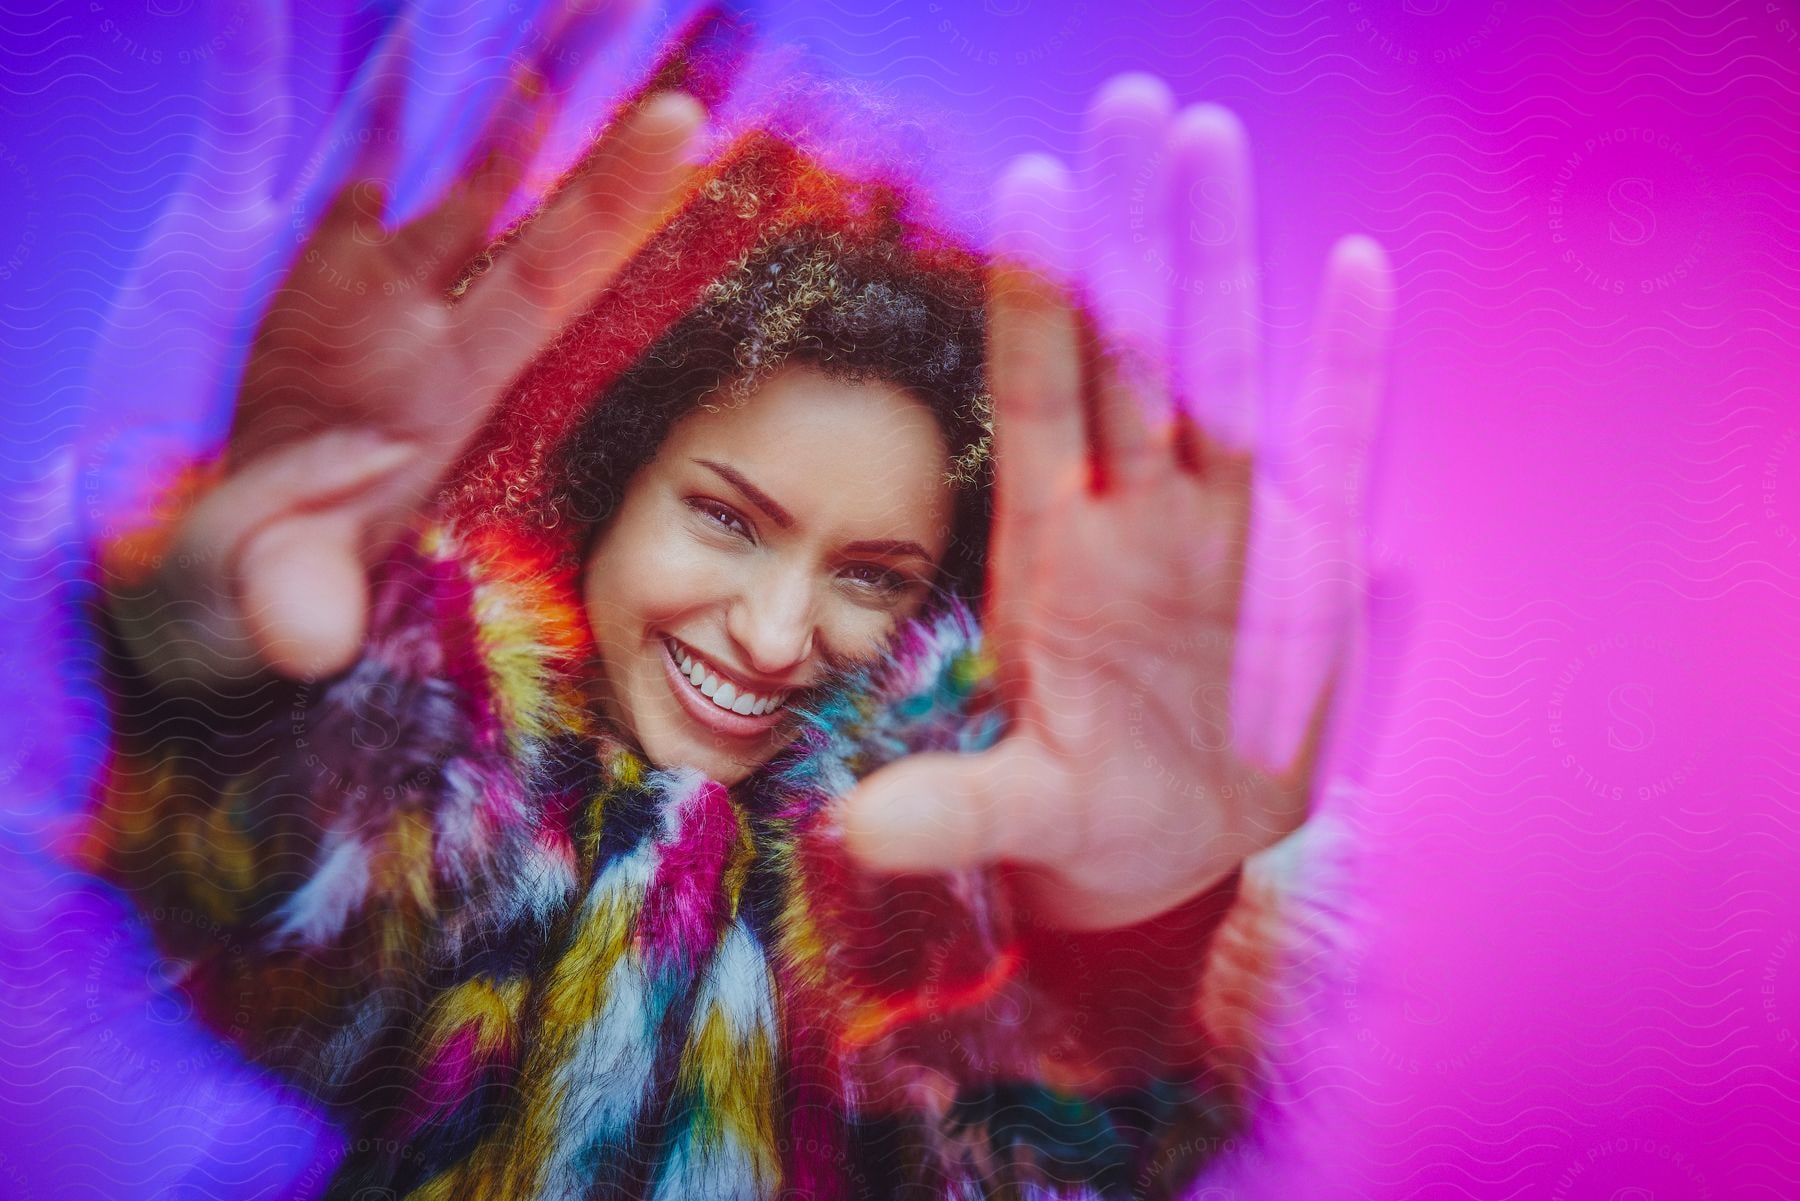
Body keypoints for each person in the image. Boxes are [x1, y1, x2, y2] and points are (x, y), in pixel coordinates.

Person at [71, 8, 1392, 1199]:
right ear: (604, 490)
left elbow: (1050, 1156)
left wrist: (1130, 945)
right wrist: (219, 650)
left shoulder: (925, 896)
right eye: (726, 516)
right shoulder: (461, 812)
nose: (771, 636)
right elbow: (278, 919)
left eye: (873, 577)